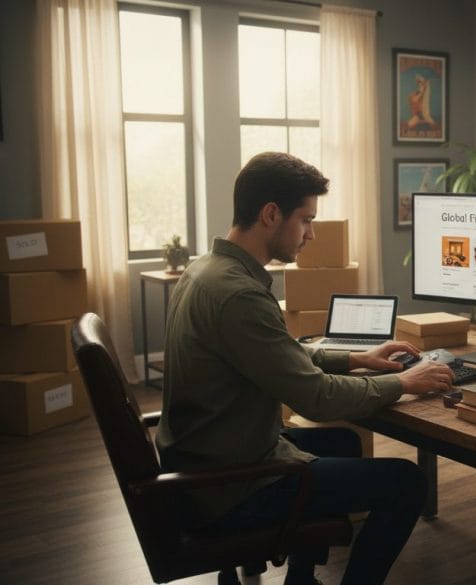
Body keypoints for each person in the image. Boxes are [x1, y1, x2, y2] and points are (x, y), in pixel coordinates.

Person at [155, 151, 454, 585]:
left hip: (202, 463)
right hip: (231, 487)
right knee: (407, 482)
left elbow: (275, 354)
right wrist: (403, 381)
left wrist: (358, 359)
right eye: (306, 220)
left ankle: (301, 577)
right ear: (271, 215)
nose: (311, 234)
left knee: (343, 444)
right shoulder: (240, 296)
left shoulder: (207, 270)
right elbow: (314, 397)